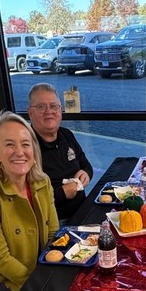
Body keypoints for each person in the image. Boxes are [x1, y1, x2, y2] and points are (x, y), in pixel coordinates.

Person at [0, 112, 58, 291]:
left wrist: (54, 275)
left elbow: (53, 235)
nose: (19, 152)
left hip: (39, 278)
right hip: (1, 289)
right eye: (9, 144)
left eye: (25, 144)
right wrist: (39, 286)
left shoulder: (43, 182)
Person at [27, 83, 93, 219]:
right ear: (30, 113)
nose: (49, 111)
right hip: (53, 222)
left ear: (60, 110)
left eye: (53, 106)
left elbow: (86, 165)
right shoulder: (25, 146)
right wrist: (61, 194)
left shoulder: (66, 134)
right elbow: (27, 199)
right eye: (41, 106)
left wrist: (85, 173)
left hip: (82, 212)